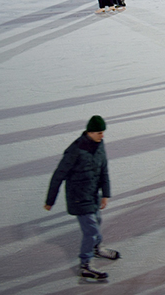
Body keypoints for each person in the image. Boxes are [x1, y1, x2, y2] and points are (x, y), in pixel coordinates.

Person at [44, 116, 120, 281]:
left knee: (97, 222)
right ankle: (85, 264)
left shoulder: (100, 146)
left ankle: (96, 248)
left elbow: (104, 170)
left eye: (103, 132)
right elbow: (58, 175)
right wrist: (50, 201)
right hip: (78, 197)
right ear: (90, 132)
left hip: (93, 195)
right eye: (100, 133)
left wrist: (105, 194)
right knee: (90, 230)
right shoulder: (75, 151)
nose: (103, 136)